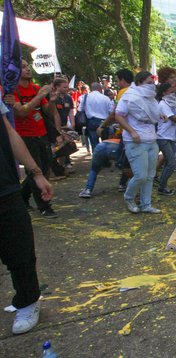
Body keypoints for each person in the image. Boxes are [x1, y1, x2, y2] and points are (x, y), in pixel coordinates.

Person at [0, 99, 53, 334]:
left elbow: (10, 132)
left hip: (4, 187)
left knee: (18, 248)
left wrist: (36, 173)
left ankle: (28, 301)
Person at [12, 60, 65, 218]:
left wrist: (52, 100)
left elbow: (47, 111)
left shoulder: (35, 88)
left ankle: (23, 195)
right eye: (23, 67)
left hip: (41, 134)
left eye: (28, 66)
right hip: (25, 137)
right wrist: (41, 95)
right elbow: (21, 112)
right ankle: (44, 206)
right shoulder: (12, 90)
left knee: (45, 167)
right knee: (36, 170)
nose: (28, 69)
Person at [114, 71, 162, 214]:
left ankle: (146, 204)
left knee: (149, 175)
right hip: (135, 141)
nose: (151, 85)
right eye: (148, 82)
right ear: (140, 82)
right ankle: (129, 198)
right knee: (140, 175)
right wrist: (131, 131)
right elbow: (118, 115)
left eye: (152, 83)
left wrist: (161, 115)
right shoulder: (130, 96)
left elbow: (154, 113)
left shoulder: (151, 98)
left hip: (151, 139)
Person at [78, 129, 121, 198]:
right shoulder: (121, 141)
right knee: (126, 166)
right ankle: (122, 184)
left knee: (94, 170)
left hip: (100, 147)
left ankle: (88, 190)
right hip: (116, 147)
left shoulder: (103, 141)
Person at [79, 82, 113, 151]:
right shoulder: (106, 98)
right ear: (100, 89)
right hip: (104, 122)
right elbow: (111, 111)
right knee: (105, 142)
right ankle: (105, 159)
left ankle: (97, 158)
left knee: (94, 143)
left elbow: (80, 109)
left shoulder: (86, 97)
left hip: (91, 122)